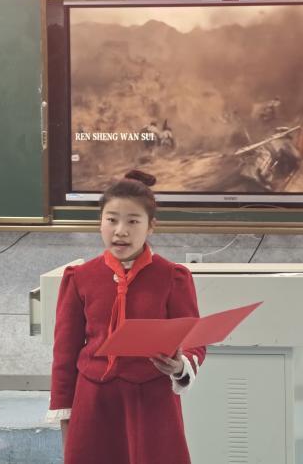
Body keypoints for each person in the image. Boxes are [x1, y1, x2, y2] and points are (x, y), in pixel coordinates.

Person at [46, 170, 206, 464]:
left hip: (152, 401)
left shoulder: (173, 277)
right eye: (112, 220)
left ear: (151, 226)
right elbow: (65, 355)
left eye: (133, 221)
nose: (121, 231)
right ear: (100, 222)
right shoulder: (80, 277)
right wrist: (65, 415)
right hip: (93, 402)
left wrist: (179, 365)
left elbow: (195, 340)